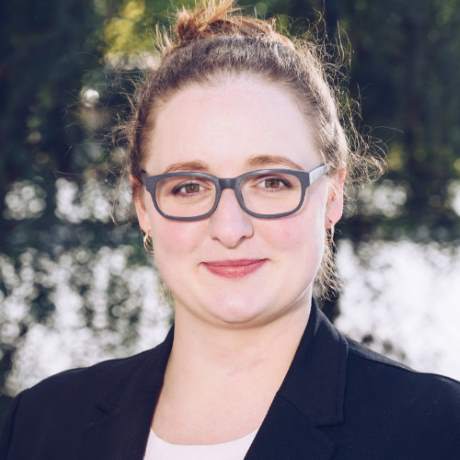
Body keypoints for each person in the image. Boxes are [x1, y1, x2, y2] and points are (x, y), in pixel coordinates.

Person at [1, 0, 460, 459]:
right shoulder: (41, 426)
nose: (230, 227)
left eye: (272, 182)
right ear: (143, 205)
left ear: (333, 195)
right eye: (189, 187)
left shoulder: (436, 432)